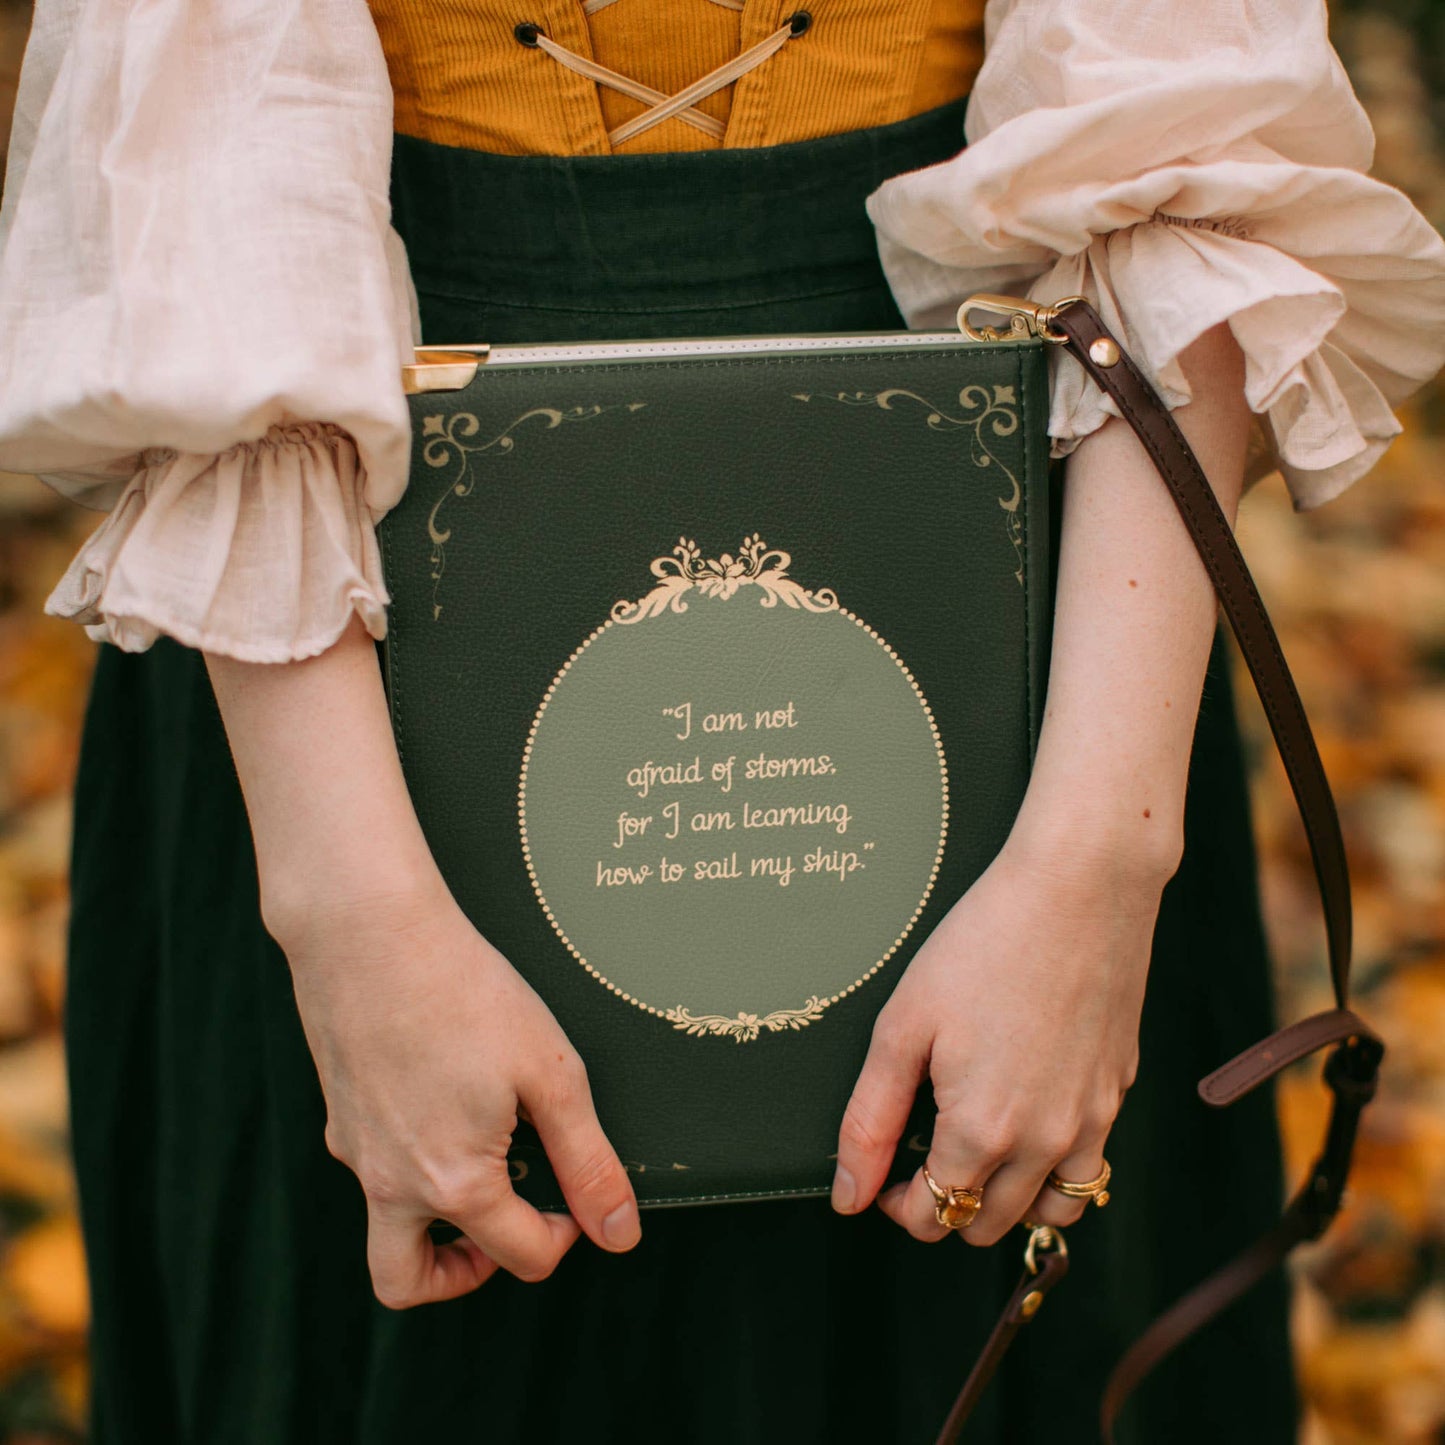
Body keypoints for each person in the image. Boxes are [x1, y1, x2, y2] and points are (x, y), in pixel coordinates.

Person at [1, 2, 1443, 1441]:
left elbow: (1184, 142)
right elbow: (206, 209)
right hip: (326, 639)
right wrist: (349, 911)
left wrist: (1090, 860)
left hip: (1026, 607)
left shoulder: (1074, 814)